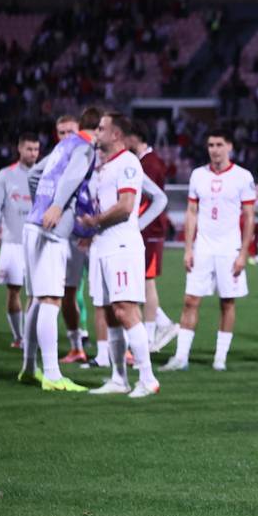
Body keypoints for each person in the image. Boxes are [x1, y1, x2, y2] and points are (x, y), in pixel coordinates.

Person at [79, 112, 163, 398]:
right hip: (102, 246)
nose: (95, 133)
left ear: (115, 134)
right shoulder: (102, 165)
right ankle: (118, 378)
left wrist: (95, 220)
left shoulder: (128, 163)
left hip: (122, 247)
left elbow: (127, 206)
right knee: (111, 315)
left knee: (125, 311)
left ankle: (148, 378)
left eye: (101, 129)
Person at [19, 107, 101, 392]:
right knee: (51, 300)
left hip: (33, 225)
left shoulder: (62, 145)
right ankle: (53, 374)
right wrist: (55, 206)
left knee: (37, 299)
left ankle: (30, 367)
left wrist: (39, 205)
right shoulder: (85, 147)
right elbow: (71, 179)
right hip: (50, 231)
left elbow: (33, 176)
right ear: (99, 128)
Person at [161, 129, 257, 372]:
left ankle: (220, 358)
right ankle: (181, 357)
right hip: (203, 247)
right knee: (190, 300)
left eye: (219, 144)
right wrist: (188, 248)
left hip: (229, 248)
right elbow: (191, 212)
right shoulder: (197, 175)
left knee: (227, 302)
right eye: (211, 145)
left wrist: (244, 253)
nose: (214, 149)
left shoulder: (242, 176)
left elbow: (248, 216)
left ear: (230, 147)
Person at [126, 119, 178, 353]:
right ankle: (163, 324)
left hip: (151, 231)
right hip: (146, 230)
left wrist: (133, 222)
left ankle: (148, 336)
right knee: (138, 281)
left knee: (147, 282)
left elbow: (149, 199)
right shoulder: (145, 161)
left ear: (135, 137)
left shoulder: (150, 164)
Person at [0, 132, 40, 348]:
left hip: (37, 243)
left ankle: (30, 337)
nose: (33, 154)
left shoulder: (44, 174)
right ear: (19, 149)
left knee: (37, 293)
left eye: (36, 149)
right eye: (29, 149)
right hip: (12, 243)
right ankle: (19, 337)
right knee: (13, 291)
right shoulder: (5, 175)